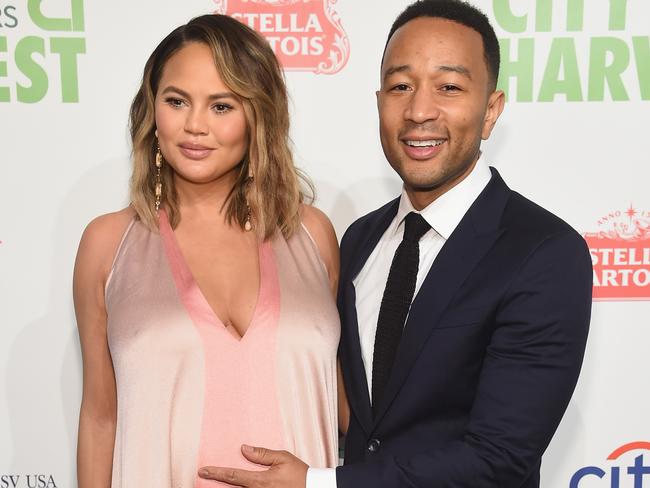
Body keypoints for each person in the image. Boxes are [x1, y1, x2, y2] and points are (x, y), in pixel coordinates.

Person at [198, 1, 592, 487]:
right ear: (379, 100)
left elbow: (499, 459)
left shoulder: (544, 252)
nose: (419, 111)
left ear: (491, 111)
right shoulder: (360, 239)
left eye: (449, 87)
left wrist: (317, 484)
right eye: (401, 86)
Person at [73, 14, 347, 488]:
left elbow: (343, 406)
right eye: (177, 101)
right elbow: (100, 418)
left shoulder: (312, 235)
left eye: (221, 106)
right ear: (151, 112)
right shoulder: (107, 244)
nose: (195, 125)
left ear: (257, 116)